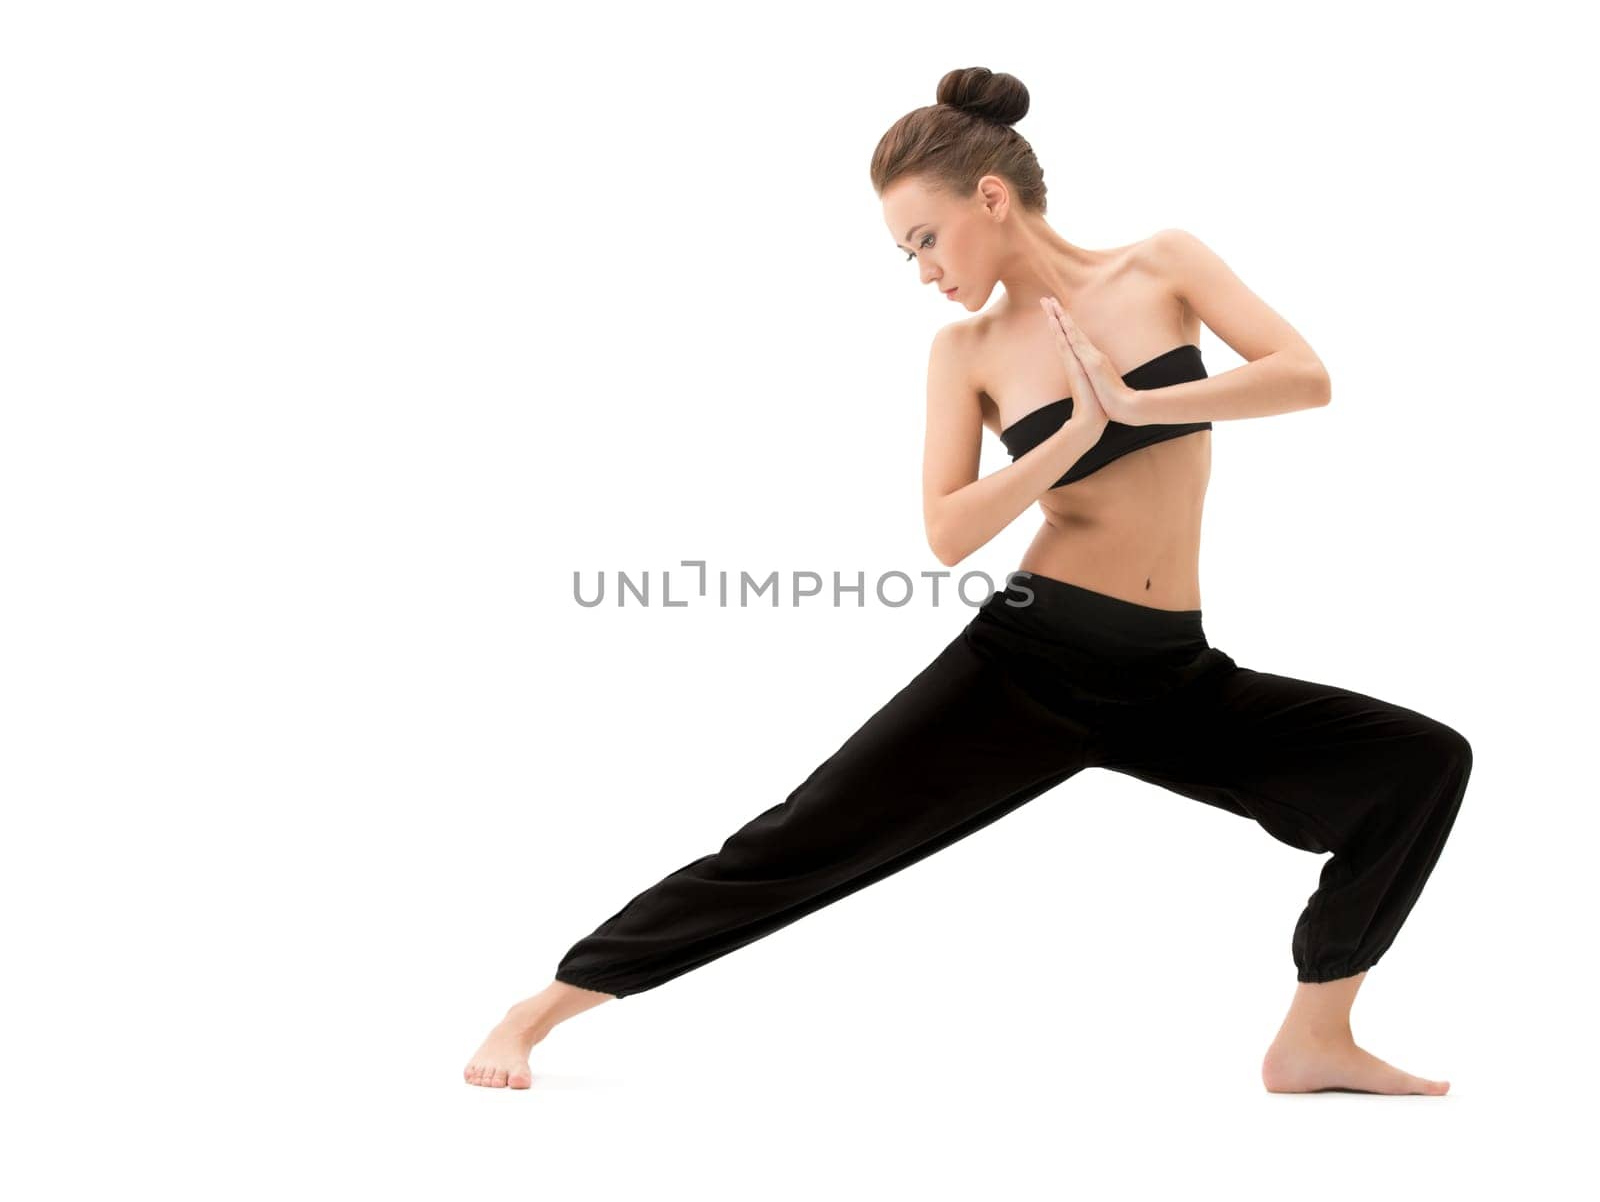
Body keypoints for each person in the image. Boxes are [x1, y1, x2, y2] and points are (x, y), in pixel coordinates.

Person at [465, 67, 1472, 1095]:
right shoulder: (966, 351)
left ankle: (1312, 1036)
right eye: (906, 254)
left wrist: (1128, 402)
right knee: (804, 836)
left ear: (989, 198)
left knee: (1418, 763)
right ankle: (541, 1005)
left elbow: (1303, 376)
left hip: (1170, 672)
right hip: (1031, 662)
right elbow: (947, 529)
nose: (921, 272)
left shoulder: (1161, 265)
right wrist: (1068, 438)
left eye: (925, 240)